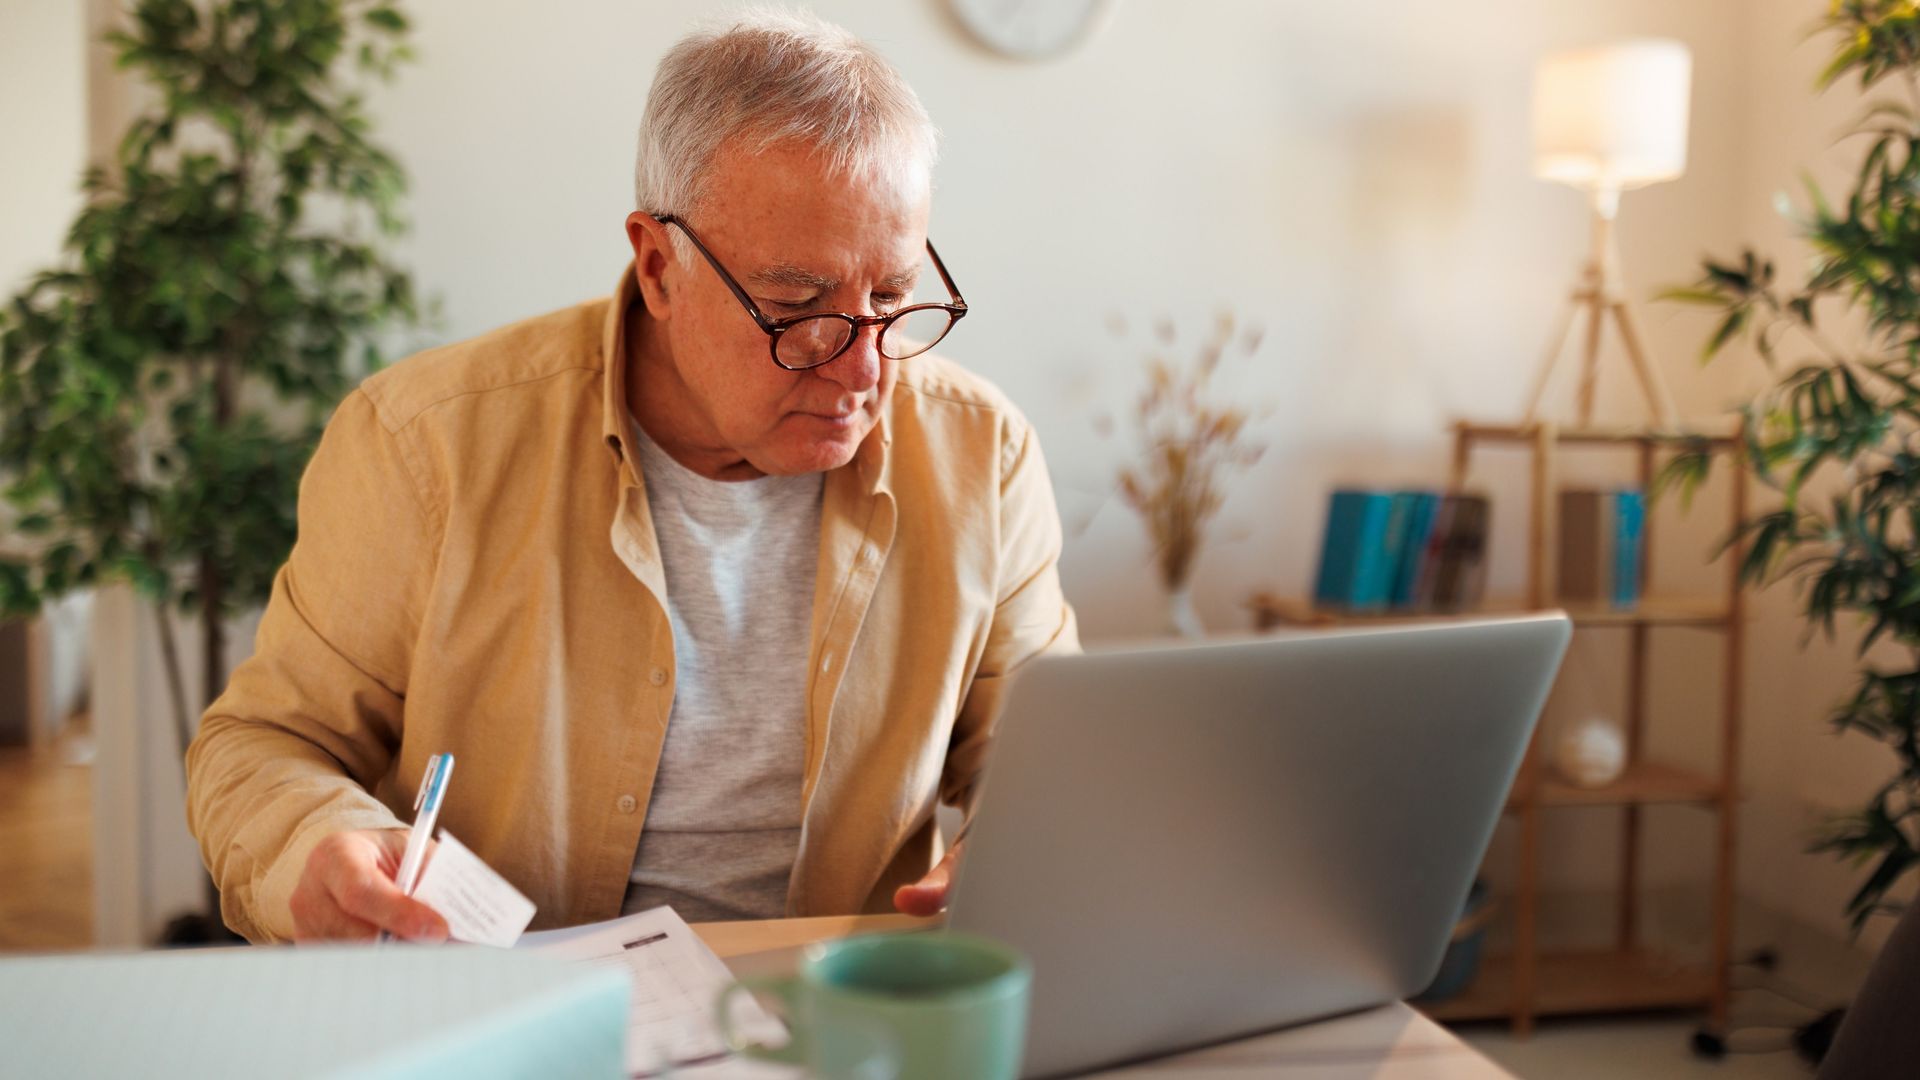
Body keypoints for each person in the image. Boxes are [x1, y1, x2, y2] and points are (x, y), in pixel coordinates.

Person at [183, 9, 1077, 944]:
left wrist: (1030, 842)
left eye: (892, 297)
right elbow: (263, 745)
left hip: (847, 1017)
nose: (864, 370)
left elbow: (1053, 761)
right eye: (797, 308)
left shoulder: (984, 457)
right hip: (521, 1009)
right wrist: (325, 841)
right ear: (658, 265)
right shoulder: (424, 446)